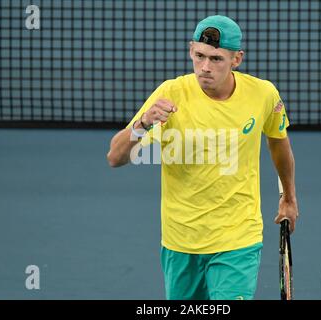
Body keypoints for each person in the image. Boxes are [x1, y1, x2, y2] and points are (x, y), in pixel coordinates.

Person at [107, 15, 299, 300]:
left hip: (238, 238)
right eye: (199, 56)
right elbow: (115, 156)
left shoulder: (263, 95)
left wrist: (288, 197)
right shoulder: (170, 93)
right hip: (180, 241)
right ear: (190, 50)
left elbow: (278, 142)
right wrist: (143, 123)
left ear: (237, 59)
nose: (205, 67)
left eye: (216, 59)